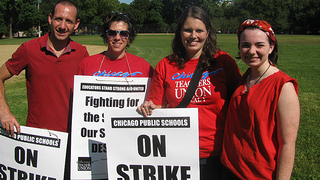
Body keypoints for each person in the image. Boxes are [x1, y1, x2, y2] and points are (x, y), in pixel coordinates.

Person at [137, 6, 241, 180]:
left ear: (207, 33)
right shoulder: (165, 65)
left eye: (199, 30)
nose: (193, 35)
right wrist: (149, 107)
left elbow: (240, 101)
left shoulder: (223, 61)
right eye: (187, 30)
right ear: (180, 33)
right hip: (178, 151)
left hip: (216, 153)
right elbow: (157, 105)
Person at [221, 19, 300, 180]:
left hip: (259, 175)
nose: (251, 51)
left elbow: (288, 144)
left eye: (259, 45)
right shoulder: (246, 77)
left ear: (271, 47)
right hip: (230, 169)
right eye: (245, 45)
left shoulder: (283, 86)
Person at [0, 0, 89, 136]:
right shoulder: (29, 49)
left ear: (76, 24)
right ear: (50, 19)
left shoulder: (81, 53)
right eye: (58, 19)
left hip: (71, 136)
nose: (62, 26)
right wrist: (4, 112)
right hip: (37, 137)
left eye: (69, 21)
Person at [77, 12, 153, 78]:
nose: (117, 38)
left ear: (129, 38)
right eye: (112, 33)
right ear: (106, 37)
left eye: (123, 34)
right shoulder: (87, 64)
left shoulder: (144, 67)